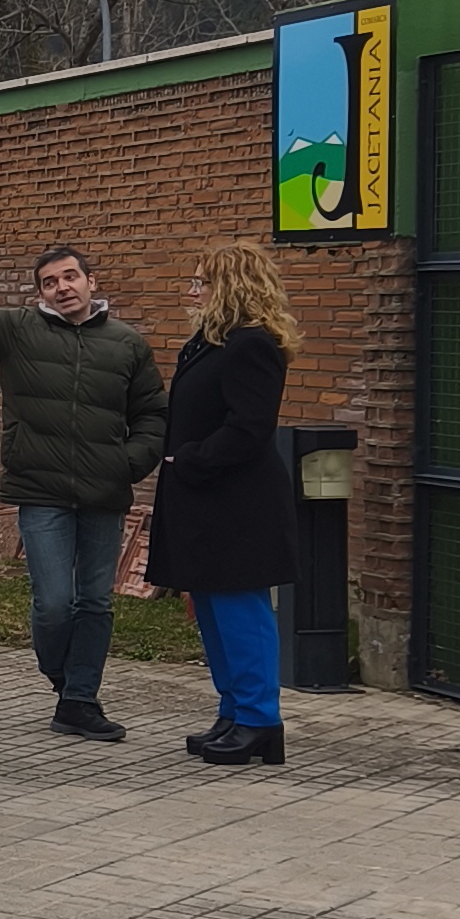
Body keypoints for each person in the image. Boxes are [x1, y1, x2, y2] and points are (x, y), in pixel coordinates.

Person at [0, 236, 165, 742]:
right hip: (40, 491)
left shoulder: (126, 343)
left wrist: (126, 465)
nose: (62, 288)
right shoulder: (17, 331)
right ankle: (62, 677)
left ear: (92, 282)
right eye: (50, 282)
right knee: (53, 602)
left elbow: (153, 414)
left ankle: (79, 703)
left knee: (94, 602)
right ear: (40, 294)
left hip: (103, 493)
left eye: (70, 277)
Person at [147, 239, 302, 767]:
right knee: (212, 610)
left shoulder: (252, 345)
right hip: (204, 502)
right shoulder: (211, 342)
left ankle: (260, 720)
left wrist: (190, 459)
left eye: (202, 283)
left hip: (238, 504)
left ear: (231, 287)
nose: (193, 292)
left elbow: (249, 428)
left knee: (241, 611)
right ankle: (234, 710)